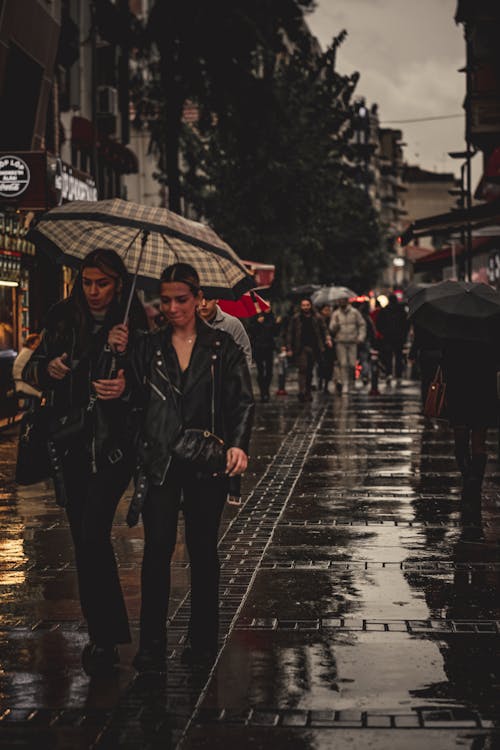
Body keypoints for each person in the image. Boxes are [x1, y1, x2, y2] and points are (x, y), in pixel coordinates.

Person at [22, 248, 148, 676]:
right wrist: (50, 369)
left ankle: (107, 636)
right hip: (72, 445)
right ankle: (102, 635)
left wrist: (127, 376)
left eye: (103, 283)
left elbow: (151, 383)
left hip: (114, 449)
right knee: (85, 539)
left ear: (118, 285)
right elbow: (30, 368)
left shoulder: (135, 320)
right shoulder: (60, 316)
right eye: (88, 282)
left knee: (93, 531)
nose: (94, 291)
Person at [126, 263, 254, 672]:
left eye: (181, 299)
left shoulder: (222, 347)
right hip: (160, 461)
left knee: (202, 551)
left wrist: (238, 445)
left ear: (198, 298)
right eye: (165, 300)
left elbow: (242, 401)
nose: (172, 307)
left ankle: (202, 642)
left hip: (205, 460)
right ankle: (151, 645)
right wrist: (117, 351)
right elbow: (129, 397)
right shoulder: (146, 346)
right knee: (157, 550)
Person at [441, 339, 498, 502]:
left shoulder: (453, 337)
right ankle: (475, 482)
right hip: (484, 390)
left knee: (460, 437)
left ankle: (468, 476)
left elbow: (445, 363)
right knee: (479, 441)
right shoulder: (490, 335)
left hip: (459, 390)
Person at [287, 298, 326, 401]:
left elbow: (323, 330)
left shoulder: (317, 317)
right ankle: (302, 391)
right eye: (303, 305)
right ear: (300, 306)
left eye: (307, 305)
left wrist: (326, 341)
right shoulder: (296, 318)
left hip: (314, 347)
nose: (305, 307)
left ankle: (308, 392)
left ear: (310, 305)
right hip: (301, 347)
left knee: (310, 370)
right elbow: (290, 333)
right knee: (302, 369)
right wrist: (289, 347)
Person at [198, 296, 252, 369]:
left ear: (216, 299)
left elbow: (245, 356)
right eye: (199, 299)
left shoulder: (232, 324)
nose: (203, 303)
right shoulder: (186, 324)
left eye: (208, 299)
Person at [329, 297, 366, 394]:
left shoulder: (355, 312)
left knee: (352, 364)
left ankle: (351, 383)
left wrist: (360, 337)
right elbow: (331, 329)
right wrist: (335, 324)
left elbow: (362, 324)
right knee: (343, 364)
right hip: (340, 341)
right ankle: (345, 384)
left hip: (353, 341)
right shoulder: (336, 314)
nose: (341, 302)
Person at [375, 293, 409, 385]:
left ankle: (389, 373)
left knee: (388, 356)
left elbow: (378, 323)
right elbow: (406, 324)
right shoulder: (401, 311)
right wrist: (404, 335)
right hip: (399, 337)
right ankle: (398, 375)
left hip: (387, 337)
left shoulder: (384, 310)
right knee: (398, 356)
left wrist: (383, 332)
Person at [248, 308, 278, 402]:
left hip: (269, 347)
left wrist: (276, 323)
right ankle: (263, 392)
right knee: (260, 371)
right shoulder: (254, 317)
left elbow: (275, 332)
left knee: (269, 371)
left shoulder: (271, 317)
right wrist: (258, 323)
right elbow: (251, 331)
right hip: (258, 347)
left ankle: (266, 390)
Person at [12, 333, 42, 404]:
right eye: (36, 344)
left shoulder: (24, 350)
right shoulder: (28, 352)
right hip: (22, 382)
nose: (37, 346)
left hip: (19, 380)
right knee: (41, 393)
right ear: (30, 344)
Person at [316, 304, 334, 393]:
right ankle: (320, 381)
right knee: (321, 365)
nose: (327, 312)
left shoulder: (332, 320)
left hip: (330, 346)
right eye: (325, 310)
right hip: (320, 345)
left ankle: (326, 384)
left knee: (329, 366)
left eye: (328, 310)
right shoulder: (318, 319)